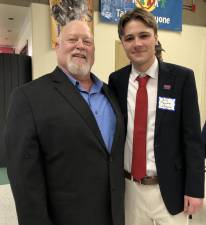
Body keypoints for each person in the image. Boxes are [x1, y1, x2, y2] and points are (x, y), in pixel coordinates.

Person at [5, 20, 125, 225]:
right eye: (72, 39)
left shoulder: (111, 94)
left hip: (114, 216)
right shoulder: (28, 97)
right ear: (57, 45)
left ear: (93, 50)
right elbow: (24, 179)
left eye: (87, 41)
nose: (80, 45)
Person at [109, 8, 205, 225]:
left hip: (171, 188)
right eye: (129, 38)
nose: (137, 43)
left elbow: (193, 141)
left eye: (144, 35)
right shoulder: (117, 81)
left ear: (155, 37)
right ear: (123, 43)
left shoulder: (182, 78)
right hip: (131, 190)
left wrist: (195, 189)